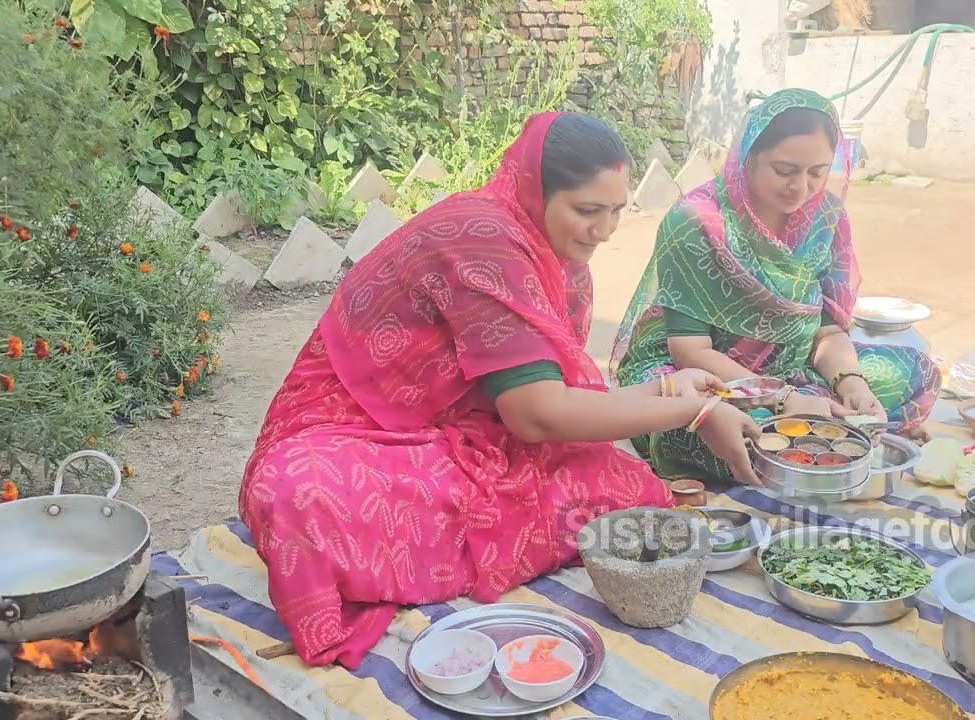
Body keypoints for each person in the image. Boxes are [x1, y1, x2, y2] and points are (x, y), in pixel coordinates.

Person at [239, 112, 762, 669]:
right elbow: (537, 415)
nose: (605, 231)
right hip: (355, 427)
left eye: (615, 211)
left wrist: (672, 391)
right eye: (587, 210)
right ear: (536, 190)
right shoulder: (484, 237)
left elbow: (552, 395)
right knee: (294, 493)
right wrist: (690, 412)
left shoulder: (556, 256)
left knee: (621, 487)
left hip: (469, 427)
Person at [611, 88, 940, 484]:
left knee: (917, 373)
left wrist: (850, 382)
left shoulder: (827, 220)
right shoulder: (697, 221)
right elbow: (690, 351)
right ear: (748, 157)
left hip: (792, 367)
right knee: (695, 425)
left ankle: (820, 431)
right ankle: (818, 436)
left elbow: (827, 332)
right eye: (785, 170)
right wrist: (782, 398)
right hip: (704, 374)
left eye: (817, 172)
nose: (801, 187)